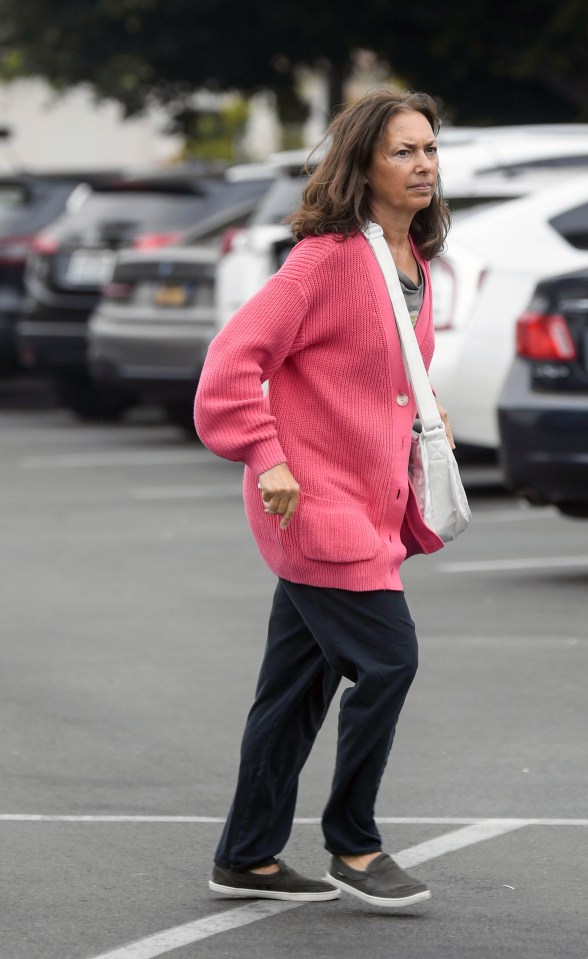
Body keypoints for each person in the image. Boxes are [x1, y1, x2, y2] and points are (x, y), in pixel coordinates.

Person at [194, 88, 454, 909]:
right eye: (402, 152)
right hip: (314, 508)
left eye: (429, 150)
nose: (422, 165)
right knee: (390, 658)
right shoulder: (328, 257)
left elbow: (371, 372)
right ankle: (356, 843)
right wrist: (264, 455)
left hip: (367, 503)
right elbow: (231, 364)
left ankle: (247, 856)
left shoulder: (411, 261)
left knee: (294, 691)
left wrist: (422, 406)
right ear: (363, 165)